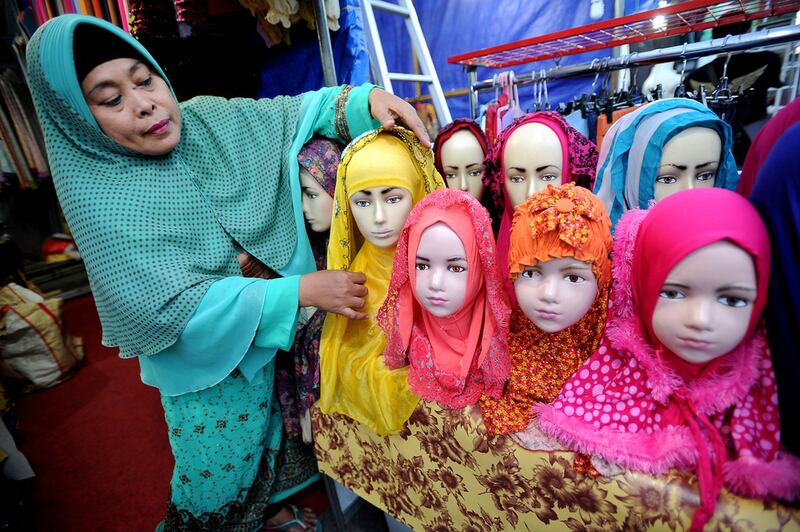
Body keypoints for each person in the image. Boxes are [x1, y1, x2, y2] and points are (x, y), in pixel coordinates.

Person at [27, 14, 430, 531]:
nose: (145, 102)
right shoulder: (101, 200)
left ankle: (277, 513)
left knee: (272, 440)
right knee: (216, 478)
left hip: (271, 337)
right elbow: (170, 310)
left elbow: (291, 116)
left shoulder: (207, 121)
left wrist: (363, 100)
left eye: (144, 78)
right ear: (78, 122)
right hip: (206, 373)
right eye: (111, 99)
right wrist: (300, 290)